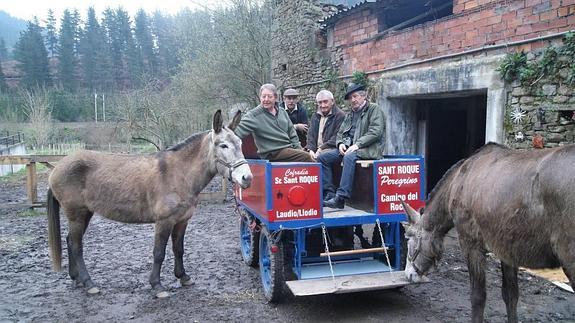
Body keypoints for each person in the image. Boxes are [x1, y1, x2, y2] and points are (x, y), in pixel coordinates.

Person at [319, 83, 385, 209]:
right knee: (323, 158)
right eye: (350, 98)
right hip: (350, 148)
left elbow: (376, 132)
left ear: (363, 96)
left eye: (355, 96)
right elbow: (340, 132)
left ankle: (341, 198)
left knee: (348, 157)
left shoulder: (374, 109)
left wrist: (357, 144)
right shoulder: (350, 114)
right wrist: (340, 144)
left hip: (369, 149)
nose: (352, 100)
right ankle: (329, 194)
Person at [234, 84, 314, 162]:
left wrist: (299, 149)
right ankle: (319, 175)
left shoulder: (282, 112)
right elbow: (235, 131)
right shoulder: (253, 115)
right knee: (306, 157)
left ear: (275, 97)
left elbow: (292, 134)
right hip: (271, 153)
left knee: (310, 155)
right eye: (263, 96)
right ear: (260, 97)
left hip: (287, 150)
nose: (266, 99)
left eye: (269, 96)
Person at [306, 90, 345, 163]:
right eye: (320, 102)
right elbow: (310, 135)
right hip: (316, 150)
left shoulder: (340, 115)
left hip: (332, 149)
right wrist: (310, 150)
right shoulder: (315, 116)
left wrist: (321, 149)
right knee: (303, 156)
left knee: (322, 157)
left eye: (325, 102)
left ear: (332, 101)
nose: (323, 105)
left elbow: (337, 137)